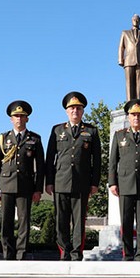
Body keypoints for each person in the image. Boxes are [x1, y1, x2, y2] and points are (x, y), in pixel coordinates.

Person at [45, 92, 101, 261]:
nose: (75, 111)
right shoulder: (57, 130)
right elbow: (50, 159)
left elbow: (96, 160)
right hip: (60, 181)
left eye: (78, 108)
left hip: (82, 182)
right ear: (66, 111)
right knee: (61, 221)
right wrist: (49, 182)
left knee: (79, 222)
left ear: (83, 111)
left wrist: (94, 183)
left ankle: (77, 253)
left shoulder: (91, 131)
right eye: (72, 108)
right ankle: (64, 252)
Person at [108, 99, 140, 261]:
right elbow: (113, 161)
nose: (136, 118)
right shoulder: (120, 136)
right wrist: (112, 183)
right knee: (126, 222)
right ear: (128, 117)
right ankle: (127, 253)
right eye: (133, 115)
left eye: (139, 115)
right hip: (124, 184)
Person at [0, 101, 44, 260]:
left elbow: (40, 167)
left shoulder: (34, 139)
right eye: (16, 116)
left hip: (26, 185)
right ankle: (8, 254)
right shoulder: (3, 138)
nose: (19, 119)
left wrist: (38, 189)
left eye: (22, 116)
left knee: (24, 223)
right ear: (11, 119)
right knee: (6, 223)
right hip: (6, 185)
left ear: (27, 119)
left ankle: (21, 254)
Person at [118, 14, 140, 101]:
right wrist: (120, 59)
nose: (136, 21)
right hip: (128, 60)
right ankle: (129, 101)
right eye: (134, 20)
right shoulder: (125, 33)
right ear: (131, 21)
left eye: (137, 20)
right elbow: (121, 47)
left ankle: (137, 101)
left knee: (139, 83)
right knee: (129, 82)